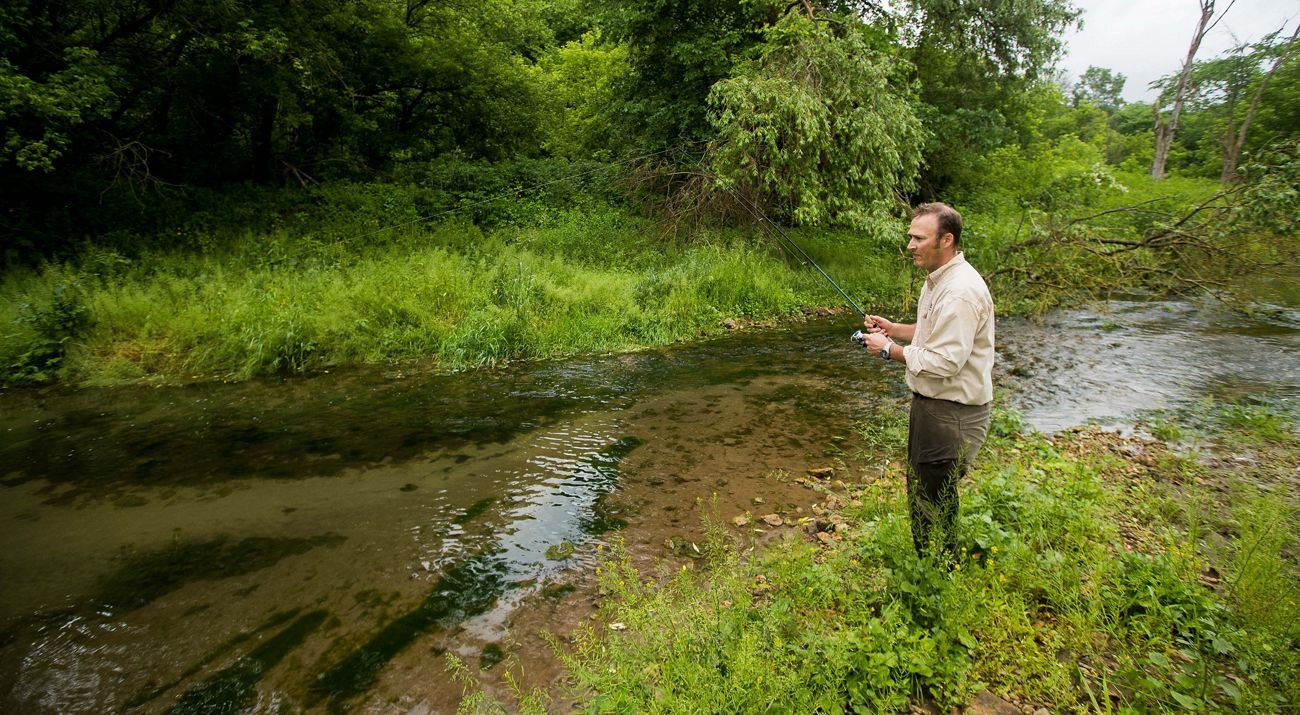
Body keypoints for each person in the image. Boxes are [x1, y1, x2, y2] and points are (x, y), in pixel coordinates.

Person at [859, 202, 994, 560]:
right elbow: (934, 332)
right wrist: (895, 330)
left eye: (919, 238)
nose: (910, 245)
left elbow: (946, 360)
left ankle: (938, 572)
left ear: (946, 240)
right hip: (933, 408)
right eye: (910, 237)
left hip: (953, 414)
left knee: (934, 499)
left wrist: (890, 350)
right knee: (923, 492)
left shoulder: (960, 291)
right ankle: (931, 565)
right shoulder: (938, 281)